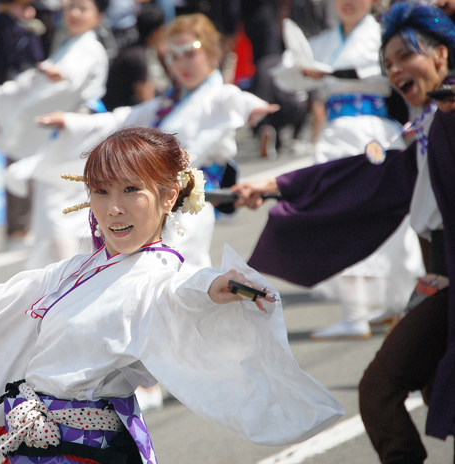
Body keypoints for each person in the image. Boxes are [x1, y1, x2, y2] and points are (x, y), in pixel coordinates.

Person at [0, 126, 344, 464]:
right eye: (100, 191)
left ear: (169, 195)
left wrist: (218, 288)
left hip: (86, 452)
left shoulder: (160, 273)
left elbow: (182, 292)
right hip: (32, 444)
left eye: (130, 191)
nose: (113, 209)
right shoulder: (81, 266)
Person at [231, 3, 455, 462]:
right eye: (387, 63)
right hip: (439, 271)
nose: (394, 70)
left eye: (404, 57)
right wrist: (272, 184)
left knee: (383, 387)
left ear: (440, 56)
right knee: (428, 386)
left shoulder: (448, 115)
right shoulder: (423, 127)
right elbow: (359, 173)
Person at [38, 13, 278, 272]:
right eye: (173, 56)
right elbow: (121, 119)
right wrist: (70, 121)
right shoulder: (167, 103)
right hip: (158, 202)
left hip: (189, 206)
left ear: (211, 53)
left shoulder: (219, 96)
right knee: (147, 272)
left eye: (190, 53)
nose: (181, 63)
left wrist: (257, 108)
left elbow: (237, 100)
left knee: (180, 271)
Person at [265, 0, 424, 340]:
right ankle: (354, 311)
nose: (348, 3)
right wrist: (303, 72)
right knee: (337, 215)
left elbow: (397, 76)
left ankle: (391, 304)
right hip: (335, 134)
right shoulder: (321, 41)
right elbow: (290, 80)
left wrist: (333, 73)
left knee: (386, 216)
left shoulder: (384, 35)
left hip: (373, 132)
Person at [0, 0, 110, 245]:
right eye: (71, 7)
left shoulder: (90, 47)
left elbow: (70, 80)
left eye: (83, 8)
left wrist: (61, 78)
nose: (74, 14)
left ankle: (72, 268)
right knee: (56, 203)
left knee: (63, 203)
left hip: (80, 127)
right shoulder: (68, 45)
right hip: (61, 128)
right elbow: (36, 80)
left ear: (98, 16)